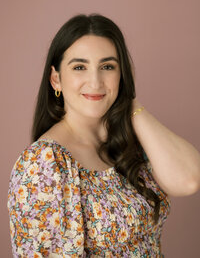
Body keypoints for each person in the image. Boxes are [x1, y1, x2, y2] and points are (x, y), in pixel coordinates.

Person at [7, 13, 200, 258]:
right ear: (56, 79)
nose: (95, 81)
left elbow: (189, 180)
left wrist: (131, 105)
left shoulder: (131, 143)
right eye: (79, 67)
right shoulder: (42, 165)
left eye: (107, 67)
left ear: (122, 75)